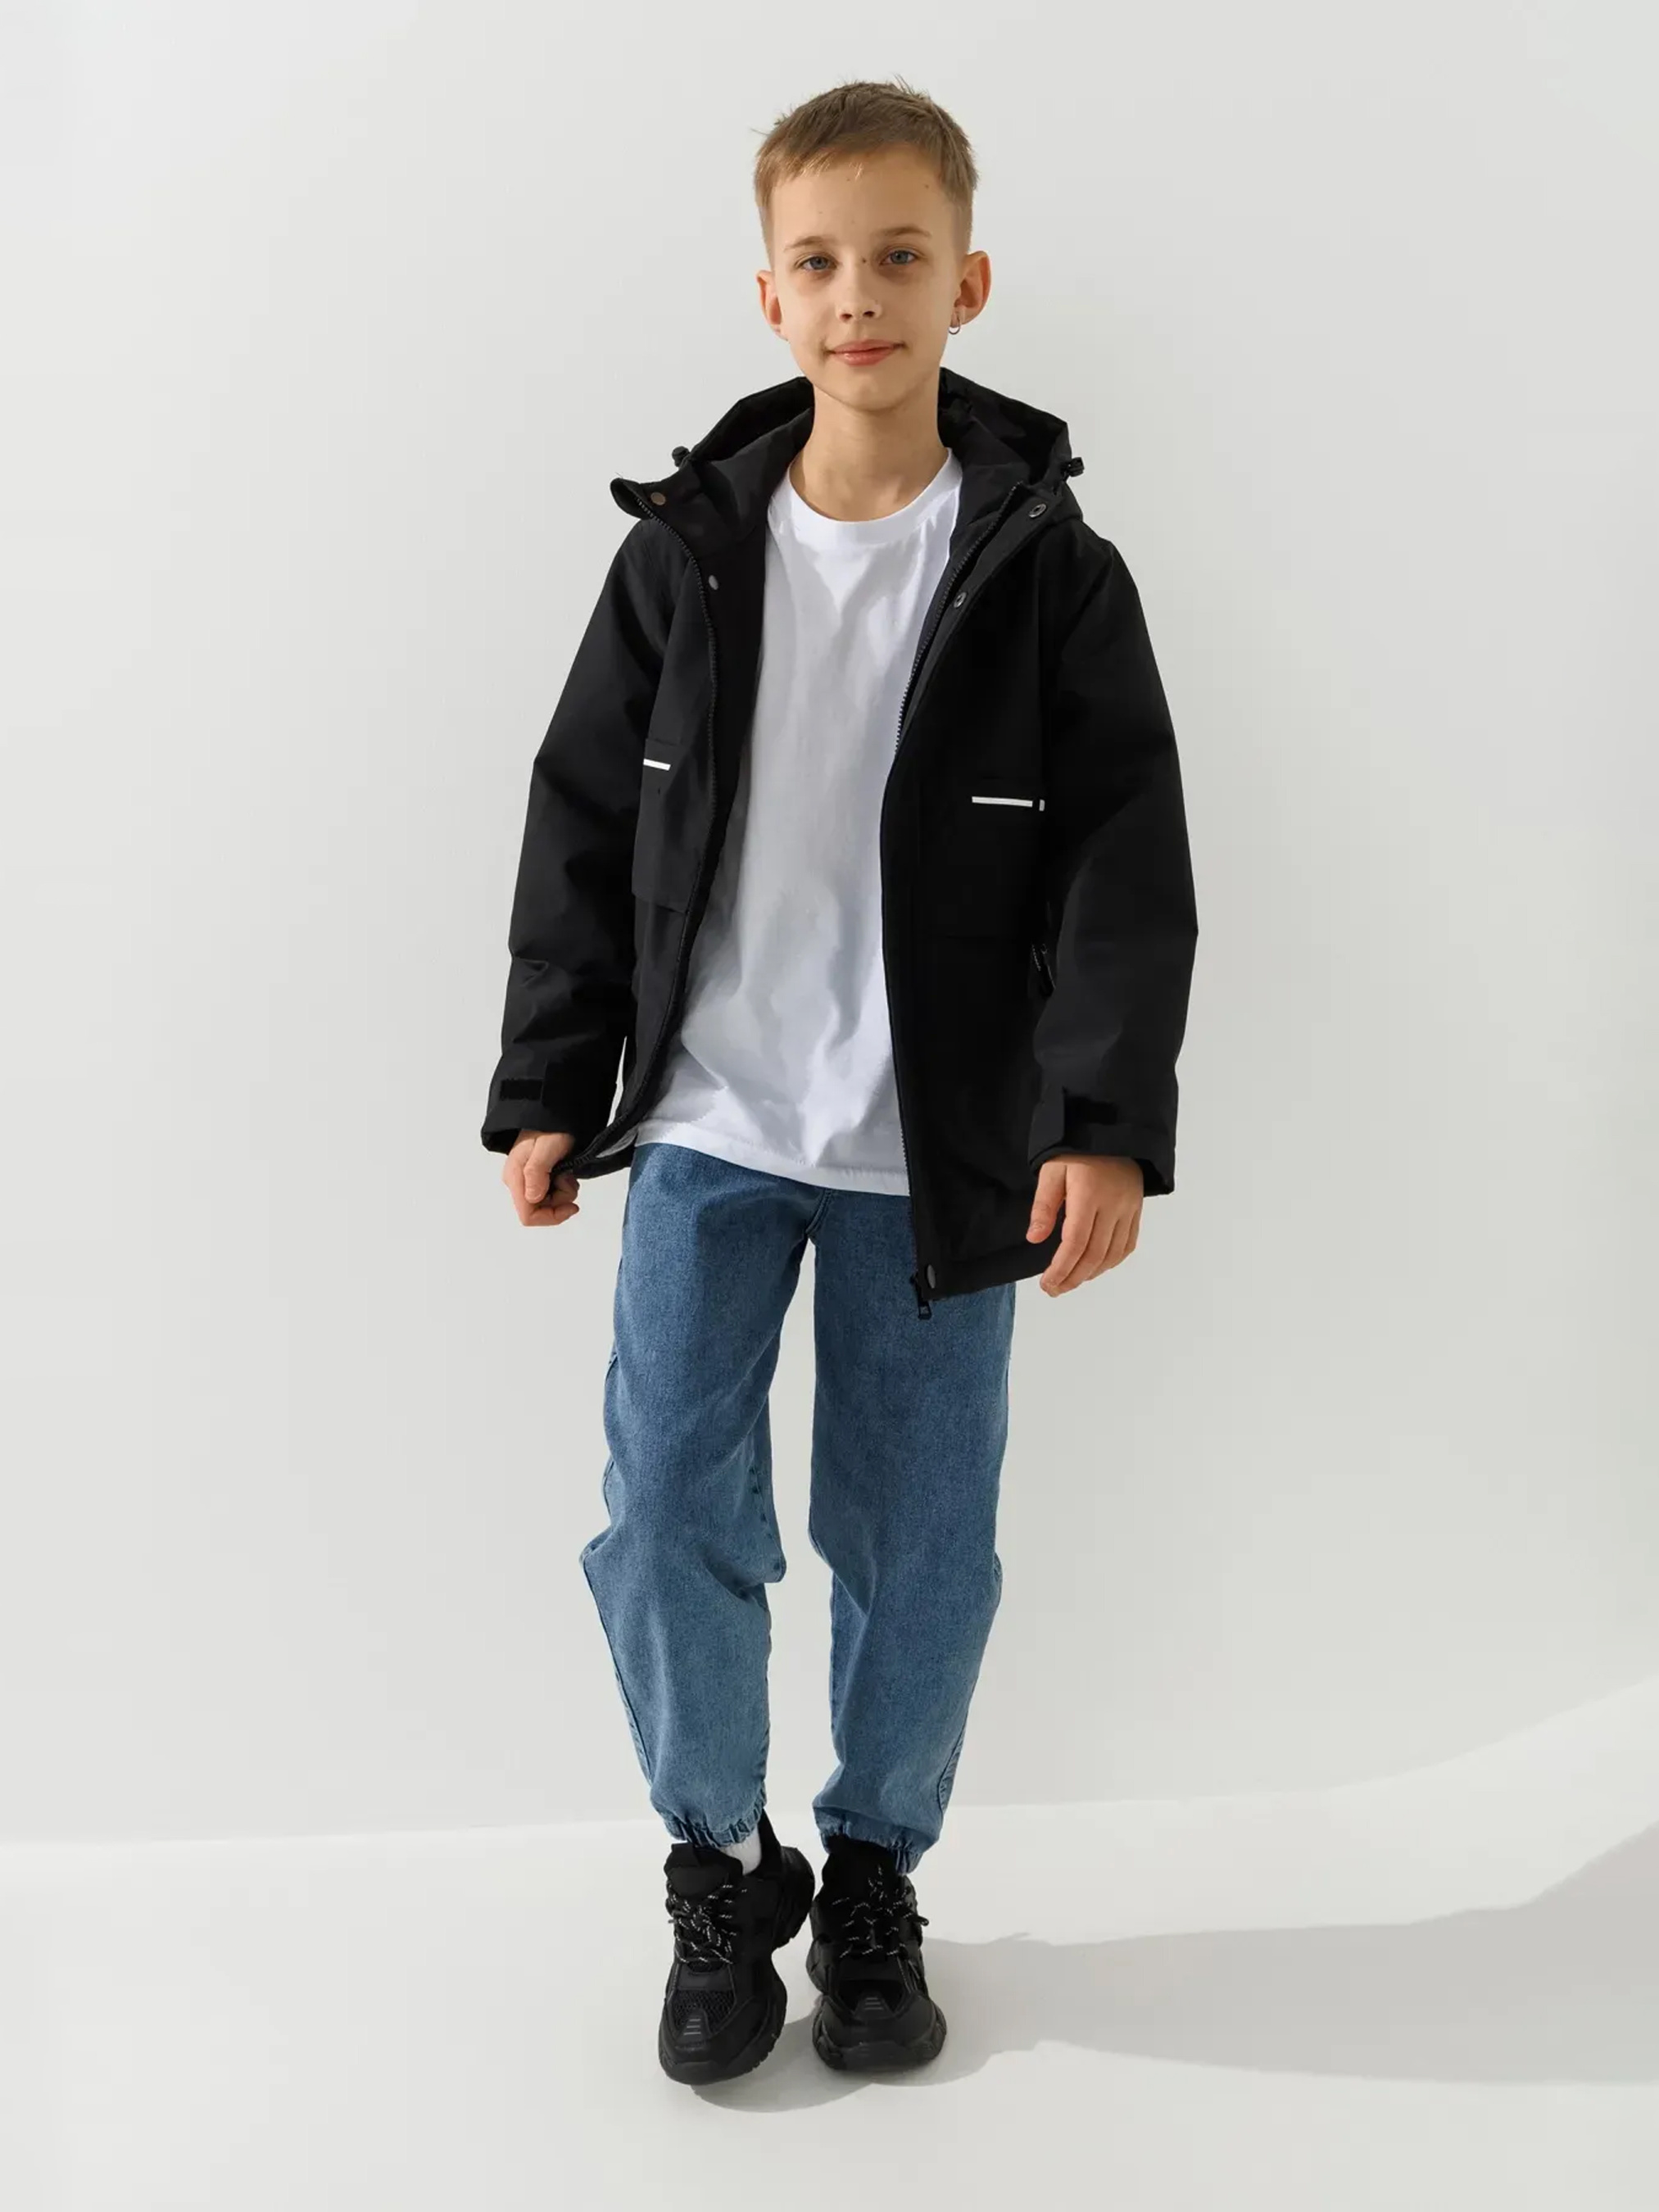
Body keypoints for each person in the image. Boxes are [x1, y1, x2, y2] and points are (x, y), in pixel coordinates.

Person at [480, 78, 1199, 2083]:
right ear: (769, 298)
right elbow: (578, 828)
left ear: (966, 283)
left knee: (916, 1545)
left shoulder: (1046, 568)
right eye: (818, 261)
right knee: (662, 1510)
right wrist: (550, 1081)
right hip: (711, 1123)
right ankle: (721, 1867)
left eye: (898, 257)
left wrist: (1099, 1123)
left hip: (934, 1154)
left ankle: (873, 1873)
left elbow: (1121, 866)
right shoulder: (686, 556)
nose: (857, 294)